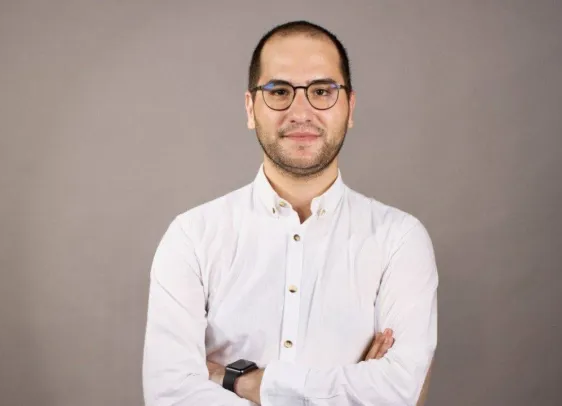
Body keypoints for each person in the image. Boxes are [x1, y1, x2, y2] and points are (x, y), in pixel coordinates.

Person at [142, 20, 438, 406]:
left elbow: (398, 392)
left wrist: (242, 382)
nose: (301, 111)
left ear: (350, 108)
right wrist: (349, 390)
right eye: (279, 91)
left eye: (322, 91)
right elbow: (170, 395)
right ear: (250, 108)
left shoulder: (399, 239)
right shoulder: (192, 237)